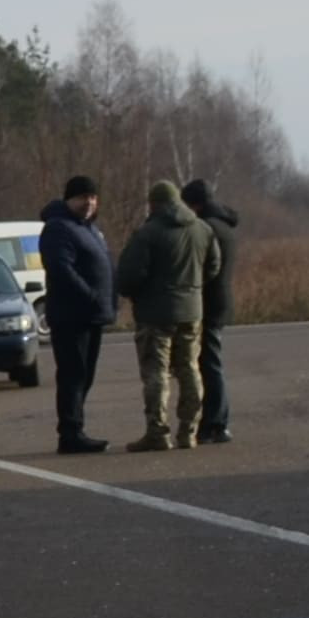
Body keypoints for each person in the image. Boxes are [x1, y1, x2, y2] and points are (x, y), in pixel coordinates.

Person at [117, 179, 210, 449]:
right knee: (190, 369)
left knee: (156, 373)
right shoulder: (202, 229)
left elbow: (128, 275)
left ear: (154, 204)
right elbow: (213, 266)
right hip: (192, 309)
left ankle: (158, 432)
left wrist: (136, 294)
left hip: (155, 313)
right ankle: (189, 431)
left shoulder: (148, 233)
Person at [34, 176, 116, 454]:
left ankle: (76, 428)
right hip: (71, 316)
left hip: (91, 315)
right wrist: (91, 296)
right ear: (69, 199)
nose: (89, 203)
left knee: (85, 375)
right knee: (73, 375)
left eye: (92, 197)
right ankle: (70, 433)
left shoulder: (89, 229)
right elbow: (61, 269)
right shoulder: (58, 229)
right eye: (82, 197)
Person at [183, 177, 244, 442]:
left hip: (208, 302)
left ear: (193, 205)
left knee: (210, 364)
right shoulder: (225, 225)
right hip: (221, 300)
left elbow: (203, 268)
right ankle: (217, 421)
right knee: (212, 362)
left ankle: (215, 423)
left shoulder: (206, 228)